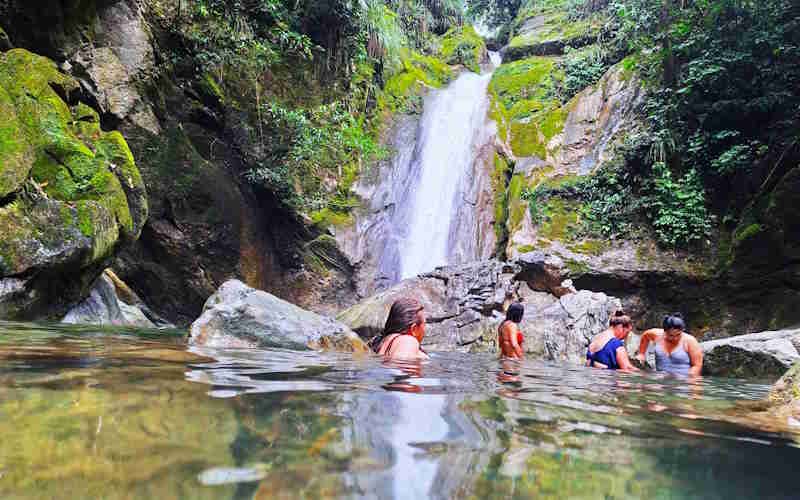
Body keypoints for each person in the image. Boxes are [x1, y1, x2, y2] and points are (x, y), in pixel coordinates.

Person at [637, 314, 703, 376]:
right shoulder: (657, 335)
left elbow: (697, 366)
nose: (675, 338)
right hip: (660, 377)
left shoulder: (690, 341)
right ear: (665, 331)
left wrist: (689, 379)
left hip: (682, 379)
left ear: (682, 330)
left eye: (678, 335)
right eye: (671, 335)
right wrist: (641, 353)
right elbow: (645, 335)